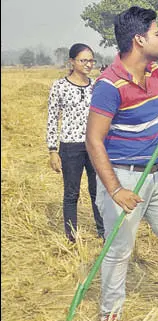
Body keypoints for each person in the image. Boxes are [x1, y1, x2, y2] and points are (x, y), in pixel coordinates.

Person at [85, 6, 158, 321]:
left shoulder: (157, 72)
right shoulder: (109, 86)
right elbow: (94, 140)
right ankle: (111, 313)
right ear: (138, 40)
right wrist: (115, 189)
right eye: (157, 34)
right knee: (119, 252)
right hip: (124, 177)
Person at [46, 43, 104, 243]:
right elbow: (52, 119)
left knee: (98, 190)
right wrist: (53, 150)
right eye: (84, 60)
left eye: (91, 60)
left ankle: (103, 232)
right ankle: (71, 236)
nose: (88, 64)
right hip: (70, 146)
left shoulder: (96, 86)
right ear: (72, 61)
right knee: (72, 192)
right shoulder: (59, 86)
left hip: (94, 145)